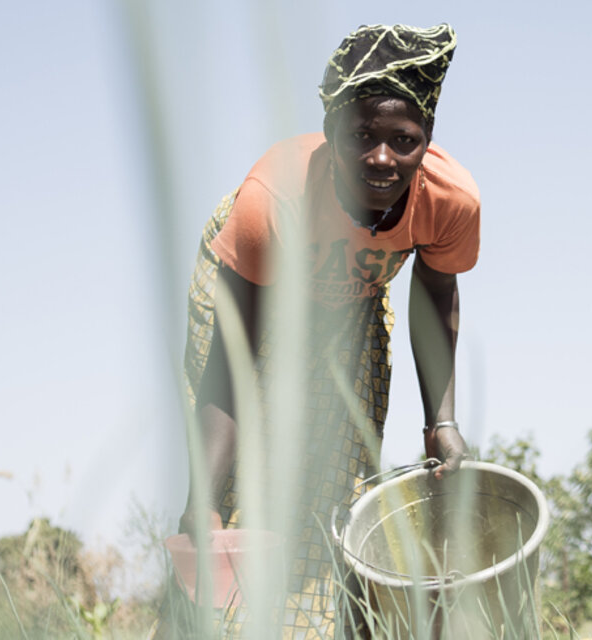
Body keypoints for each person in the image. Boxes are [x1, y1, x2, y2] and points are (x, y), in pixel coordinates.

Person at [177, 23, 479, 638]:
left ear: (427, 140)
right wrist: (201, 497)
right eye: (361, 135)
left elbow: (434, 299)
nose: (382, 158)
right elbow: (234, 363)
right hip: (248, 286)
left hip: (349, 301)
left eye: (404, 140)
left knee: (334, 472)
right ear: (332, 130)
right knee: (229, 477)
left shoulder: (450, 201)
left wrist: (440, 424)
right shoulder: (274, 198)